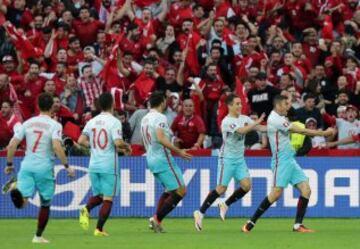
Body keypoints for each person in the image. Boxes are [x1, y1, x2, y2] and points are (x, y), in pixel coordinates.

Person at [242, 95, 335, 233]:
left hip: (290, 159)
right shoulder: (276, 119)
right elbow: (300, 130)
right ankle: (250, 223)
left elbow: (266, 129)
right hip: (281, 161)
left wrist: (254, 126)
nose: (288, 107)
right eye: (286, 104)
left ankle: (298, 225)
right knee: (276, 193)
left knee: (306, 189)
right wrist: (323, 132)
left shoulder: (277, 117)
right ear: (278, 105)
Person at [3, 93, 75, 243]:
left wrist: (9, 164)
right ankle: (38, 236)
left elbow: (12, 145)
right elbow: (56, 146)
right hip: (44, 168)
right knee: (45, 203)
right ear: (52, 107)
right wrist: (67, 166)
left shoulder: (27, 123)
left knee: (22, 204)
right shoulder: (55, 125)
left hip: (27, 165)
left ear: (38, 105)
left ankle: (17, 187)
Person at [193, 93, 265, 231]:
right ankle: (200, 213)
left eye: (240, 103)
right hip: (226, 159)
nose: (240, 106)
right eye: (237, 104)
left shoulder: (244, 118)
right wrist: (256, 122)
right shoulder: (227, 121)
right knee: (221, 188)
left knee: (246, 186)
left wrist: (276, 128)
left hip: (239, 159)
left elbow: (260, 128)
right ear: (230, 106)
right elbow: (242, 130)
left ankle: (225, 204)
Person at [77, 92, 131, 236]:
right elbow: (118, 142)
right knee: (108, 198)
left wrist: (94, 146)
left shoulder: (92, 121)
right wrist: (127, 147)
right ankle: (99, 229)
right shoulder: (114, 121)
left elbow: (80, 141)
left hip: (93, 165)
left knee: (100, 196)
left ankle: (86, 209)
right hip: (108, 165)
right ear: (113, 104)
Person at [140, 91, 192, 233]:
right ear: (162, 102)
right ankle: (156, 218)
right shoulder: (160, 117)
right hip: (163, 158)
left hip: (151, 158)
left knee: (170, 190)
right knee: (181, 190)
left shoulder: (145, 119)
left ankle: (157, 221)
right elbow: (161, 138)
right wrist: (179, 151)